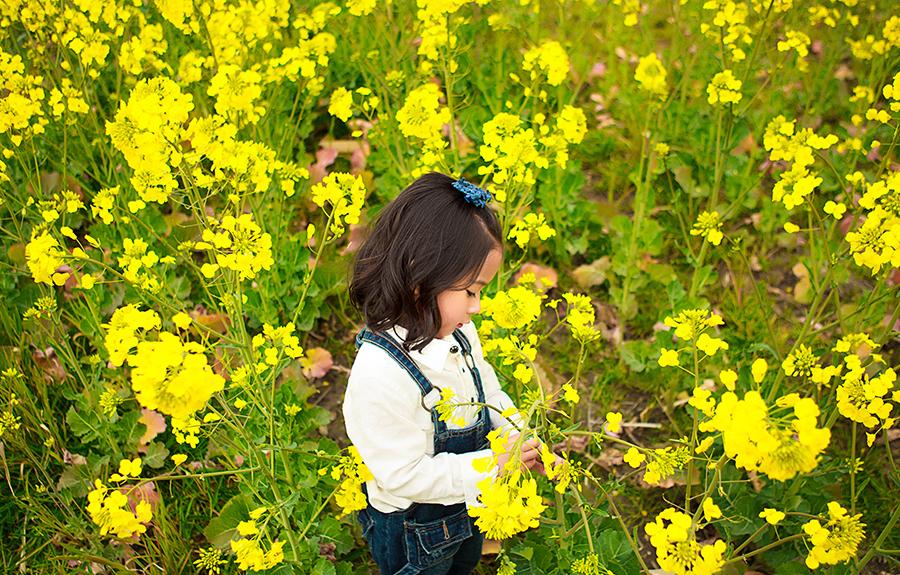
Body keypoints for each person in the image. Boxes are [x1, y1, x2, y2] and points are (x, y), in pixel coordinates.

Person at [344, 172, 541, 575]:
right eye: (470, 291)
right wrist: (492, 467)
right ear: (420, 278)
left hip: (467, 501)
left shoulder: (460, 329)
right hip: (413, 527)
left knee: (463, 563)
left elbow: (485, 386)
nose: (478, 307)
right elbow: (402, 475)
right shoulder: (379, 375)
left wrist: (515, 432)